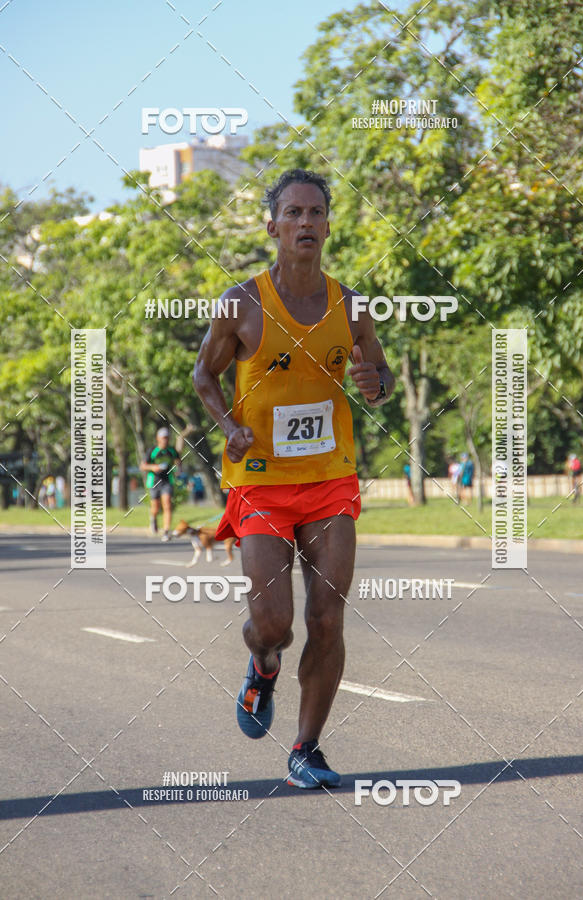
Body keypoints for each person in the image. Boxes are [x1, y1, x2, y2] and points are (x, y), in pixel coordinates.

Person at [193, 169, 394, 789]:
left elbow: (380, 375)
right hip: (260, 481)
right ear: (273, 225)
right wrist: (227, 422)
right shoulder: (242, 304)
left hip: (330, 477)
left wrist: (375, 384)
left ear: (328, 224)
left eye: (316, 212)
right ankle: (263, 663)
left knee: (328, 617)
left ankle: (306, 749)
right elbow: (203, 375)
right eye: (294, 213)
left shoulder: (350, 304)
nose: (306, 222)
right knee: (275, 622)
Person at [140, 427, 181, 541]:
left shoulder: (172, 450)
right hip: (154, 481)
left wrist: (178, 469)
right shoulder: (152, 451)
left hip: (168, 480)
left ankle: (166, 531)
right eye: (163, 438)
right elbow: (143, 466)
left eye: (167, 438)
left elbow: (178, 461)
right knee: (155, 507)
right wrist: (153, 467)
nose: (165, 440)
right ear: (158, 438)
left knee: (167, 504)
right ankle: (153, 518)